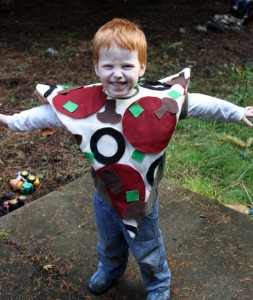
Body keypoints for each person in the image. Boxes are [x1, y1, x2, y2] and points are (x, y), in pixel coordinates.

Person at [1, 18, 253, 300]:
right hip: (104, 193)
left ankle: (158, 283)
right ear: (97, 67)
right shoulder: (86, 103)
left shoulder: (156, 101)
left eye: (127, 66)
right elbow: (48, 114)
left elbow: (198, 103)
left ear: (142, 67)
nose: (117, 74)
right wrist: (11, 122)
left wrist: (235, 111)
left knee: (146, 245)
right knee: (108, 240)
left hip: (140, 199)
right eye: (109, 66)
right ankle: (110, 269)